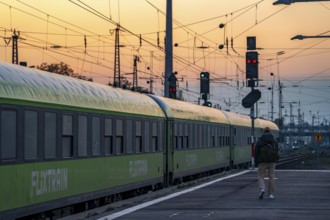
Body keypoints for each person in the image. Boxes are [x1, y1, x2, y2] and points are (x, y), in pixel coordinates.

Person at [254, 127, 279, 200]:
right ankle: (270, 194)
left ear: (264, 132)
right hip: (272, 162)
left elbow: (256, 152)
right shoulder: (274, 140)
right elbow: (277, 150)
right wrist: (275, 159)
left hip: (262, 162)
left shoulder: (260, 140)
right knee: (271, 177)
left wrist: (256, 162)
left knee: (261, 176)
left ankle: (262, 188)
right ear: (270, 131)